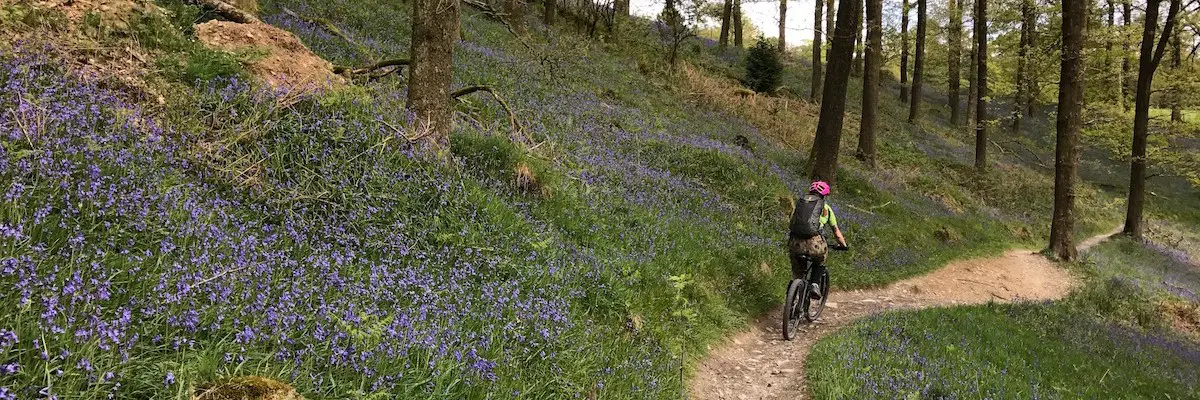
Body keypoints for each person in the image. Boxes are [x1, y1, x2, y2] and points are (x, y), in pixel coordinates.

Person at [787, 180, 848, 300]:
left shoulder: (800, 204)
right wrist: (843, 245)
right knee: (820, 259)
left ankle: (792, 290)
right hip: (814, 245)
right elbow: (836, 232)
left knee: (797, 271)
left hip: (795, 243)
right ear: (824, 195)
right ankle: (815, 284)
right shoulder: (826, 208)